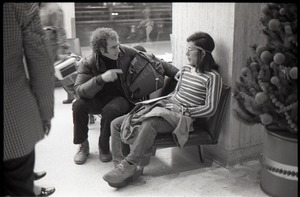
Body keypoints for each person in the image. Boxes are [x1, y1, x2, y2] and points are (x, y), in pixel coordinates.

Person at [102, 31, 223, 188]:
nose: (186, 52)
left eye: (190, 49)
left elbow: (210, 109)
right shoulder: (186, 70)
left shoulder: (213, 78)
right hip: (167, 108)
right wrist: (160, 103)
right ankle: (121, 168)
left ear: (202, 53)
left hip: (183, 118)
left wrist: (186, 111)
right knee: (117, 123)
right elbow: (176, 93)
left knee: (150, 123)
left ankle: (129, 165)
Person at [72, 27, 179, 165]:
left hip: (123, 98)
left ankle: (104, 146)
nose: (118, 49)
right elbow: (78, 91)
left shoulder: (125, 52)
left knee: (110, 110)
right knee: (78, 105)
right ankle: (82, 145)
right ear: (101, 50)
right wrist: (101, 79)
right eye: (113, 47)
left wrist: (176, 72)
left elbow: (153, 60)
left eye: (117, 45)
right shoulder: (88, 62)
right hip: (97, 98)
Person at [3, 3, 54, 196]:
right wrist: (45, 114)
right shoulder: (19, 5)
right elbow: (41, 64)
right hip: (12, 116)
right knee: (19, 185)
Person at [39, 2, 74, 104]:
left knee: (63, 71)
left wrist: (62, 45)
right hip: (44, 42)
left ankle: (72, 94)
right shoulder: (42, 7)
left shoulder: (54, 8)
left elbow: (59, 28)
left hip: (53, 43)